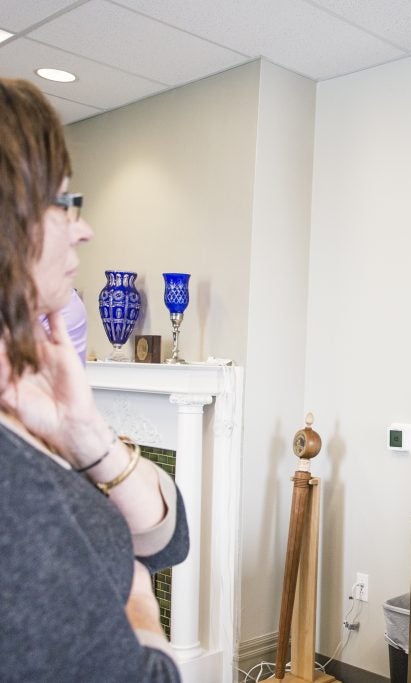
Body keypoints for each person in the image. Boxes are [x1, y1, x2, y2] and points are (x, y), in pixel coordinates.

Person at [0, 78, 187, 680]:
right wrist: (135, 598)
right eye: (62, 201)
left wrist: (92, 443)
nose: (83, 228)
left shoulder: (27, 398)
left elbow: (170, 538)